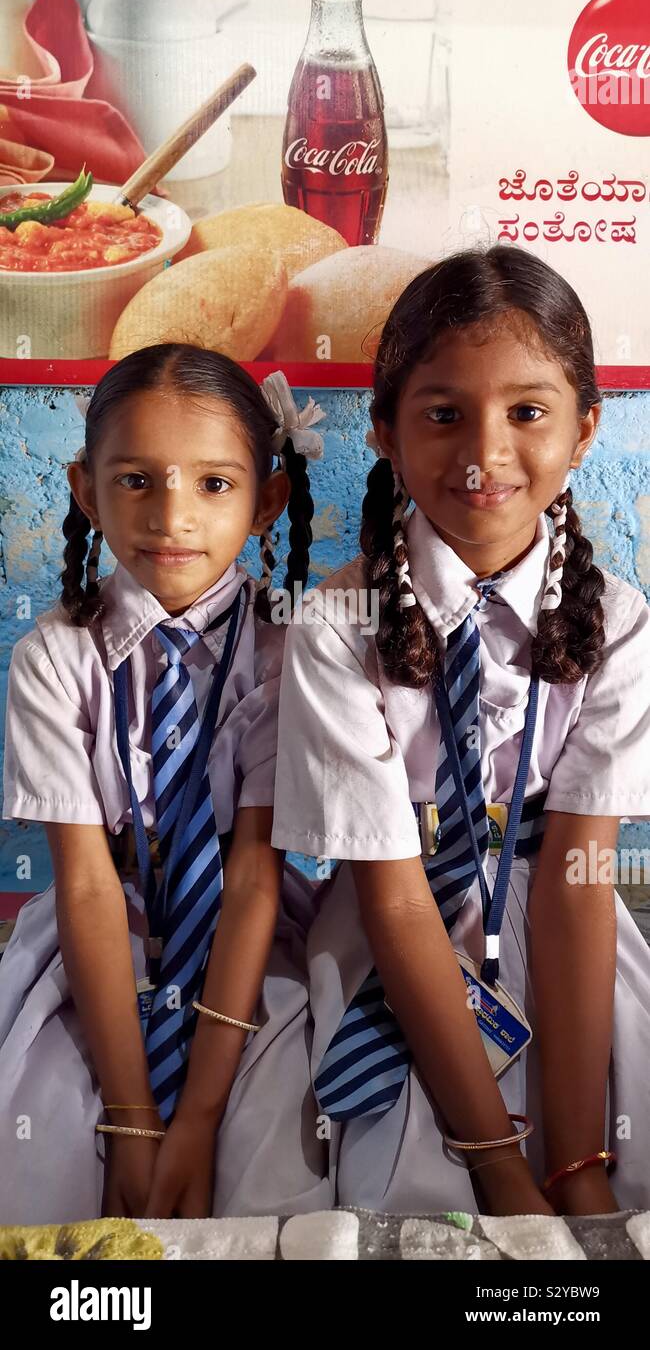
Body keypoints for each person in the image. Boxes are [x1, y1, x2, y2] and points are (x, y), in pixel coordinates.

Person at [271, 245, 650, 1216]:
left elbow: (577, 877)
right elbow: (391, 903)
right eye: (442, 414)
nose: (483, 453)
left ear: (583, 431)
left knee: (623, 1157)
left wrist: (572, 1165)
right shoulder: (335, 624)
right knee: (410, 1188)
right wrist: (498, 1164)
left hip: (564, 930)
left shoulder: (619, 620)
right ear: (388, 433)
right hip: (397, 933)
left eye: (526, 412)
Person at [0, 343, 328, 1222]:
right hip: (96, 940)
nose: (172, 516)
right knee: (47, 1149)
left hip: (254, 941)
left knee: (268, 1159)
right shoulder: (53, 659)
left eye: (215, 485)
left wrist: (198, 1117)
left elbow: (257, 873)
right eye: (137, 479)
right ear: (84, 488)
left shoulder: (289, 655)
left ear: (268, 501)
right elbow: (83, 882)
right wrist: (136, 1117)